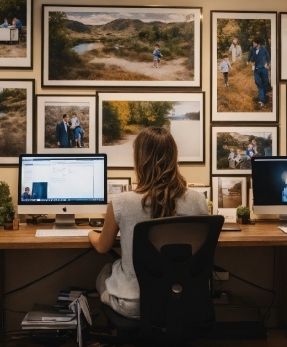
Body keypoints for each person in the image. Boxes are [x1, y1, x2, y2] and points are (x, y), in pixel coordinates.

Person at [89, 126, 208, 319]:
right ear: (173, 157)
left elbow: (103, 247)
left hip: (134, 305)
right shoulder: (198, 200)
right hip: (184, 299)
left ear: (139, 159)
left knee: (106, 270)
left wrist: (90, 233)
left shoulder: (121, 202)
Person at [246, 37, 271, 107]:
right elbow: (249, 55)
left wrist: (267, 63)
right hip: (256, 69)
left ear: (258, 44)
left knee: (265, 83)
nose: (253, 44)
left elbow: (268, 57)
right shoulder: (252, 49)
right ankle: (262, 96)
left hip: (263, 68)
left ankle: (262, 99)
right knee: (257, 82)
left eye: (254, 43)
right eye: (253, 43)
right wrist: (247, 61)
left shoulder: (263, 49)